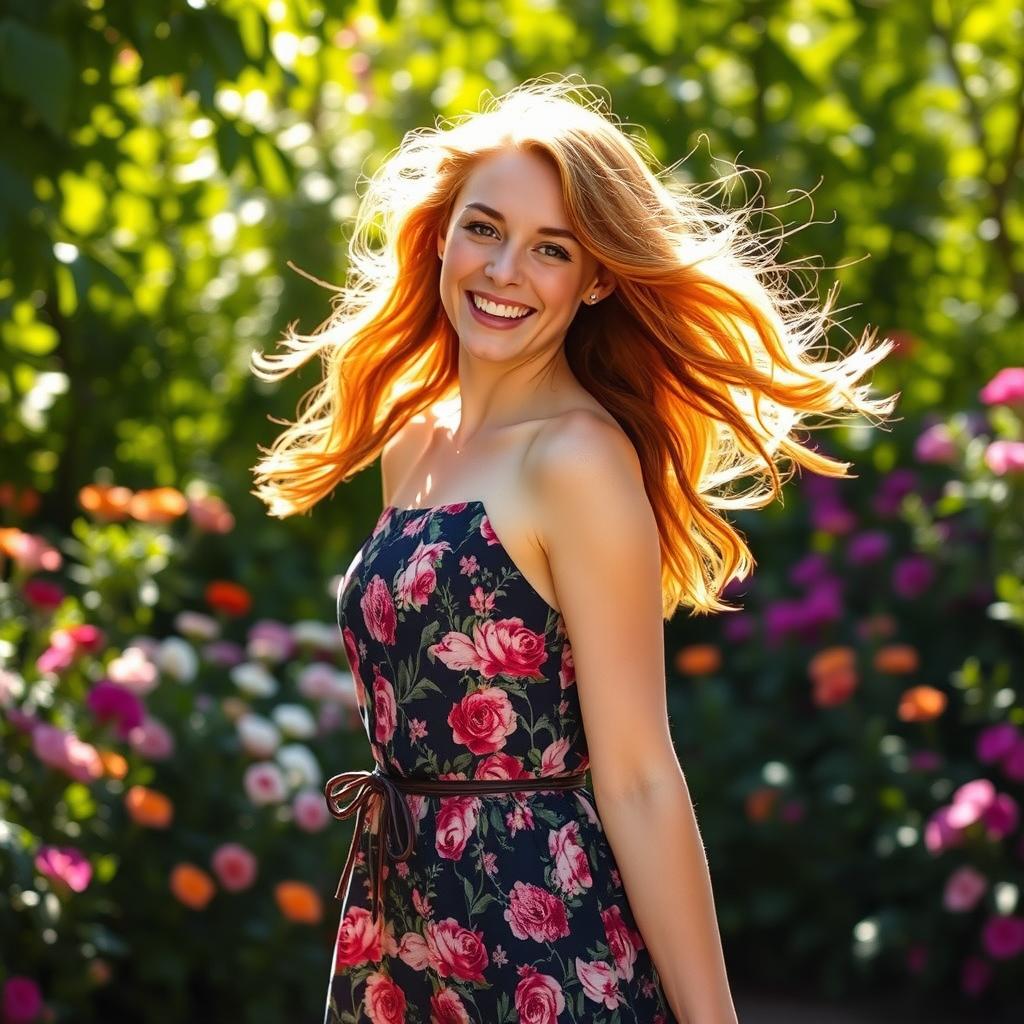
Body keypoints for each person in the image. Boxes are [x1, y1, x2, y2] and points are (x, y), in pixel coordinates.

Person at [250, 75, 896, 1024]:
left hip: (541, 946)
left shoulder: (580, 461)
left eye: (551, 249)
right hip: (401, 933)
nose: (505, 270)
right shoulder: (416, 443)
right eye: (484, 228)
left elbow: (636, 774)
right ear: (441, 235)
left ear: (594, 278)